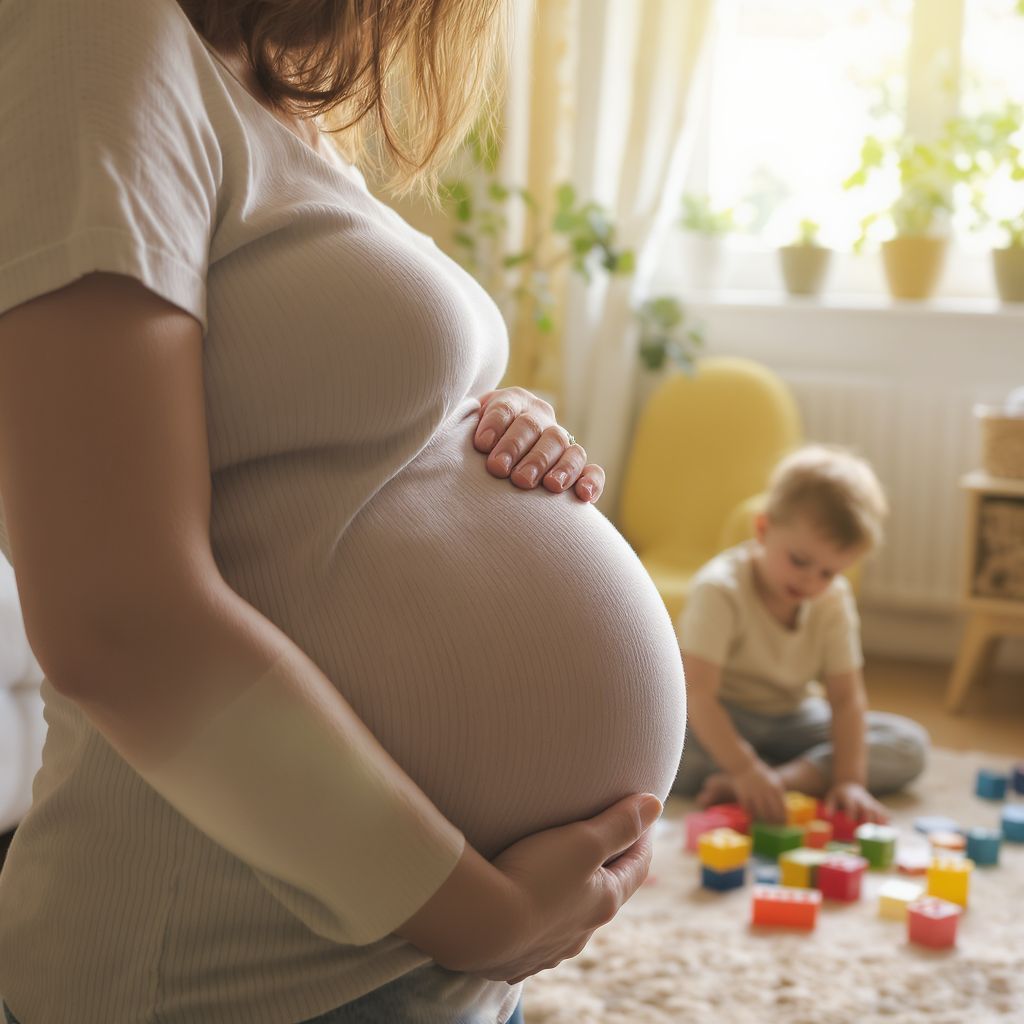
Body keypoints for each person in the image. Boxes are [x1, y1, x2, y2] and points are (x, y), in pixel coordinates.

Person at [0, 0, 687, 1022]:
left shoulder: (261, 98)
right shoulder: (96, 32)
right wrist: (479, 915)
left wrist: (482, 421)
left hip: (404, 966)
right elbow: (113, 613)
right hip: (229, 974)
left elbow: (309, 404)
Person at [672, 444, 928, 825]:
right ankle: (767, 777)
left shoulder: (832, 600)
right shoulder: (720, 589)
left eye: (828, 573)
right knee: (653, 755)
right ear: (763, 529)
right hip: (721, 715)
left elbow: (846, 699)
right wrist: (743, 767)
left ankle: (777, 779)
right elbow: (699, 695)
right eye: (800, 561)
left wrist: (850, 780)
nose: (811, 581)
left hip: (793, 717)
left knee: (909, 745)